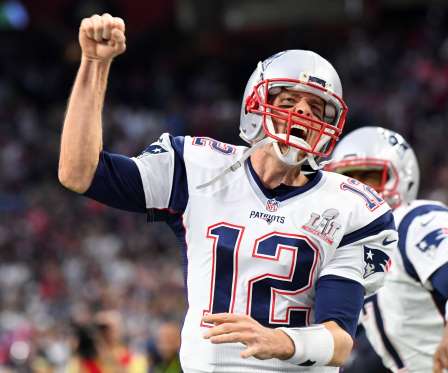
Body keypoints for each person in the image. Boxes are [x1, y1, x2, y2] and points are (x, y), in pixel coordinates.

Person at [58, 13, 398, 372]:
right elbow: (79, 172)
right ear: (256, 105)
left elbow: (340, 341)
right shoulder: (198, 166)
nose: (302, 112)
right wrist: (94, 64)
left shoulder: (350, 207)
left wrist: (280, 340)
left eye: (316, 108)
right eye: (288, 101)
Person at [325, 126, 448, 373]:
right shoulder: (353, 250)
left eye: (368, 177)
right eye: (348, 181)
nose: (358, 192)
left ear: (401, 177)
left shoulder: (416, 221)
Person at [66, 310, 148, 373]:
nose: (104, 333)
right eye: (100, 329)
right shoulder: (83, 361)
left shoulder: (134, 360)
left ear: (120, 330)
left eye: (108, 328)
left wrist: (109, 359)